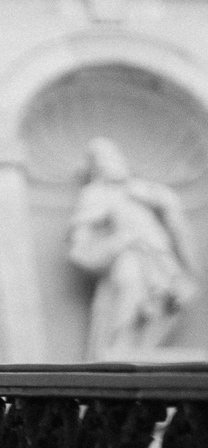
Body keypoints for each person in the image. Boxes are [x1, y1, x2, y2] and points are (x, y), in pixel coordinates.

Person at [67, 136, 199, 359]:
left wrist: (163, 201)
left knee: (168, 302)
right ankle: (120, 347)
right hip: (127, 254)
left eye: (113, 155)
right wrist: (116, 242)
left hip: (159, 253)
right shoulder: (96, 193)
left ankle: (145, 350)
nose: (110, 161)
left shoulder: (144, 190)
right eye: (102, 158)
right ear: (94, 167)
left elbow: (176, 225)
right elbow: (80, 241)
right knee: (130, 290)